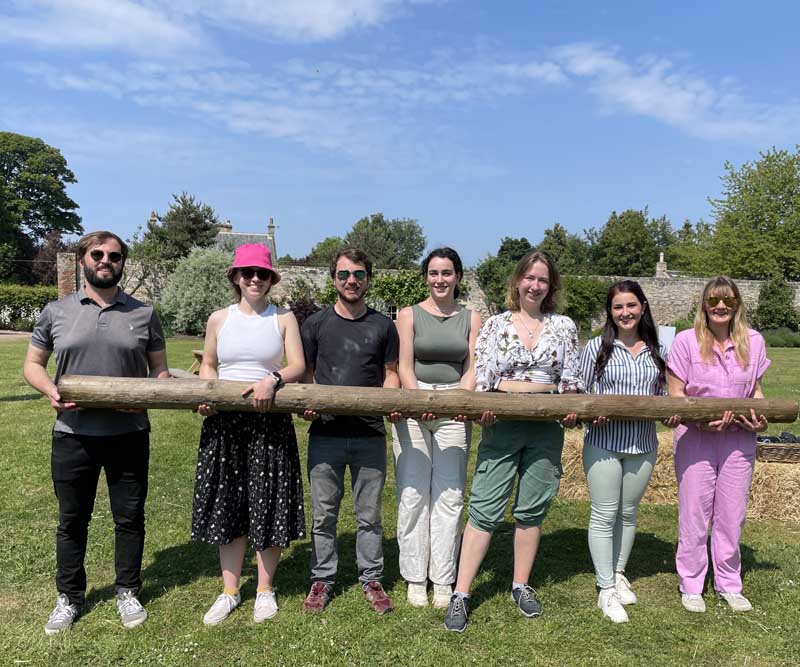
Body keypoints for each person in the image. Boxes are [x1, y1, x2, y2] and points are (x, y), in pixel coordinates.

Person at [23, 231, 169, 635]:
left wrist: (147, 398)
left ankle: (127, 590)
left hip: (130, 432)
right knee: (72, 520)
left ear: (123, 262)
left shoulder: (144, 313)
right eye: (98, 254)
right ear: (84, 259)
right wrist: (50, 389)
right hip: (73, 434)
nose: (106, 260)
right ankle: (68, 598)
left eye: (115, 256)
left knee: (129, 518)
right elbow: (33, 364)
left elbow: (159, 371)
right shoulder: (56, 311)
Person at [444, 249, 582, 633]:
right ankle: (462, 592)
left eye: (543, 280)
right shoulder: (496, 324)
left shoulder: (564, 326)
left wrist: (570, 406)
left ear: (550, 286)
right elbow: (483, 373)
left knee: (532, 509)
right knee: (485, 507)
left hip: (545, 424)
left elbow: (570, 379)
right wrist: (484, 405)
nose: (535, 286)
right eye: (530, 278)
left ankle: (521, 584)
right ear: (517, 282)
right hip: (503, 420)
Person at [191, 243, 306, 625]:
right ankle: (229, 591)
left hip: (269, 421)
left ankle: (264, 589)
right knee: (230, 504)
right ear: (235, 277)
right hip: (224, 423)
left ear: (271, 279)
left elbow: (298, 366)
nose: (254, 279)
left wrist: (272, 380)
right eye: (247, 273)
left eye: (261, 273)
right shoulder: (218, 319)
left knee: (268, 502)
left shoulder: (283, 318)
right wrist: (210, 396)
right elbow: (208, 365)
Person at [300, 247, 401, 615]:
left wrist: (390, 402)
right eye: (343, 275)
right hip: (325, 433)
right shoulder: (315, 324)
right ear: (334, 280)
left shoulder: (383, 326)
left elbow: (391, 374)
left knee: (369, 515)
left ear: (368, 278)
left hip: (369, 433)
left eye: (358, 274)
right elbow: (307, 373)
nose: (351, 281)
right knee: (324, 514)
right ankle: (322, 579)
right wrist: (307, 403)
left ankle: (371, 578)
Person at [667, 276, 769, 613]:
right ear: (704, 305)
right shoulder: (685, 342)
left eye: (727, 300)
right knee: (695, 512)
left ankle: (729, 583)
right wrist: (697, 419)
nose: (720, 306)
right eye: (713, 301)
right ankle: (692, 584)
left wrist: (761, 419)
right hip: (695, 438)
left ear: (737, 304)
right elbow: (675, 397)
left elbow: (756, 394)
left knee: (732, 514)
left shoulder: (754, 342)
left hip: (739, 440)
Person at [579, 280, 676, 623]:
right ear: (610, 312)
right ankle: (605, 588)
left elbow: (666, 397)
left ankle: (618, 573)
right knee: (604, 514)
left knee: (629, 512)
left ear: (643, 307)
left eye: (631, 305)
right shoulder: (596, 348)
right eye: (618, 307)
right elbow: (579, 391)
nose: (625, 313)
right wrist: (592, 409)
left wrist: (670, 411)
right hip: (604, 443)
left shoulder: (659, 349)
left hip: (643, 444)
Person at [392, 247, 482, 608]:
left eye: (446, 273)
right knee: (413, 492)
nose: (440, 280)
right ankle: (415, 575)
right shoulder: (408, 315)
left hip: (456, 405)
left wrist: (457, 400)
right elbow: (404, 366)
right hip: (416, 403)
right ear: (426, 277)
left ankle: (443, 577)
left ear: (457, 276)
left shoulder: (472, 317)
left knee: (449, 495)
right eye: (433, 273)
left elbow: (473, 366)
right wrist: (420, 402)